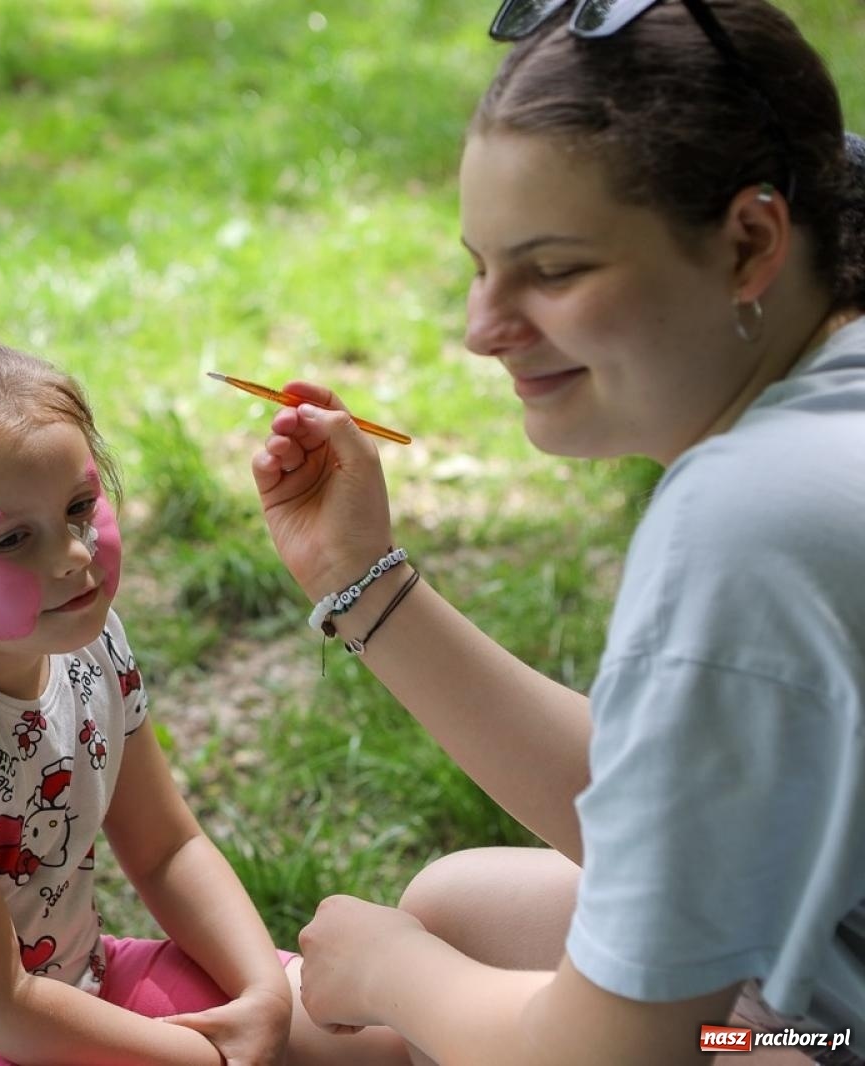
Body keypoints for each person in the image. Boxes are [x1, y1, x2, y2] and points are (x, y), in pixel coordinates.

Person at [247, 1, 865, 1064]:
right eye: (481, 266)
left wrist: (393, 974)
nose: (482, 331)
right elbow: (682, 800)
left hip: (825, 1032)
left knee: (380, 997)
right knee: (459, 901)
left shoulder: (745, 518)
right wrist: (361, 579)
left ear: (750, 240)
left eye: (555, 270)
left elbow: (617, 1050)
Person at [0, 335, 409, 1065]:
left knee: (377, 1044)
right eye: (14, 539)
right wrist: (209, 1059)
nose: (74, 554)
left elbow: (169, 849)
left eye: (79, 507)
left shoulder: (89, 641)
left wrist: (263, 996)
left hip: (76, 989)